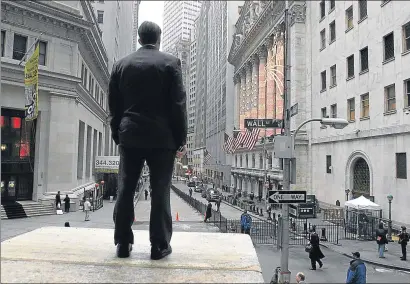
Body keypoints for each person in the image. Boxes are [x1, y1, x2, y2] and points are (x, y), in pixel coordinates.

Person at [108, 21, 187, 260]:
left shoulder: (120, 65)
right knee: (160, 191)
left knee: (125, 189)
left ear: (140, 39)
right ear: (158, 38)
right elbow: (178, 104)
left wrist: (117, 132)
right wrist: (181, 137)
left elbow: (114, 106)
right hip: (163, 139)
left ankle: (122, 242)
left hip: (130, 135)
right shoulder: (171, 63)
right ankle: (159, 245)